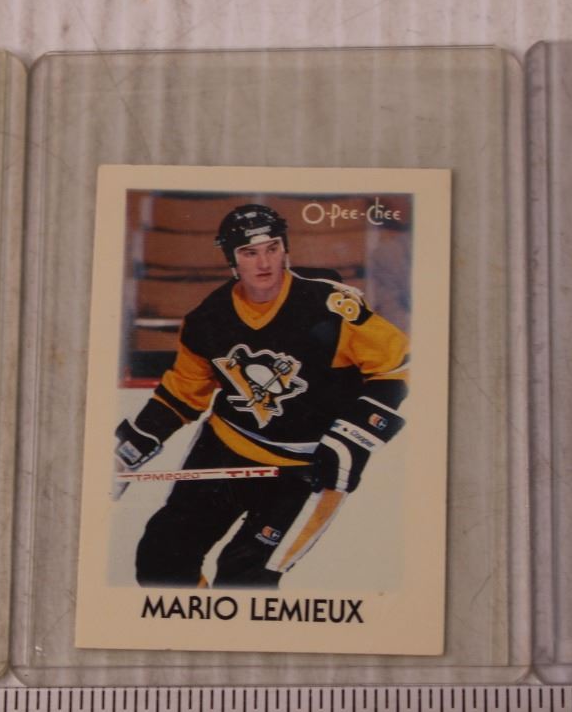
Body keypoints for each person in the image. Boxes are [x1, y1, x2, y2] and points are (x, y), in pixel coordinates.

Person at [114, 203, 411, 586]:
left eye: (272, 248)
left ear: (286, 249)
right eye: (249, 252)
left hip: (306, 469)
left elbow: (397, 366)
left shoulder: (329, 306)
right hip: (225, 452)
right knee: (162, 559)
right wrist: (126, 452)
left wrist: (353, 440)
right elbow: (181, 394)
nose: (265, 262)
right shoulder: (208, 320)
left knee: (244, 579)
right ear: (232, 260)